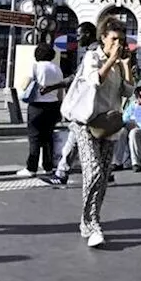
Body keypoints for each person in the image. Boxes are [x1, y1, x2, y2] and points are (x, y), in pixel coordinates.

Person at [66, 18, 132, 248]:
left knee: (103, 177)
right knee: (93, 172)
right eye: (114, 38)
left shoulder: (119, 63)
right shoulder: (92, 57)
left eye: (122, 40)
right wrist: (112, 59)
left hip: (108, 125)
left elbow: (128, 90)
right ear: (103, 37)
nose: (118, 43)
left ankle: (93, 218)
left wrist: (125, 65)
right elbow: (95, 81)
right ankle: (90, 223)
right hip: (86, 121)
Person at [51, 22, 99, 187]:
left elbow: (76, 78)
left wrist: (54, 86)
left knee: (75, 138)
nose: (77, 39)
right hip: (92, 105)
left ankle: (62, 172)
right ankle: (103, 172)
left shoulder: (93, 54)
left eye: (79, 35)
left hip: (87, 106)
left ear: (87, 34)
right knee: (83, 140)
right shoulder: (93, 52)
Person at [17, 42, 69, 178]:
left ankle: (31, 167)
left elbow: (24, 85)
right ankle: (48, 166)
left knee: (34, 137)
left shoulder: (35, 67)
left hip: (37, 105)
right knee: (48, 137)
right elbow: (60, 91)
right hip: (53, 105)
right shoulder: (57, 69)